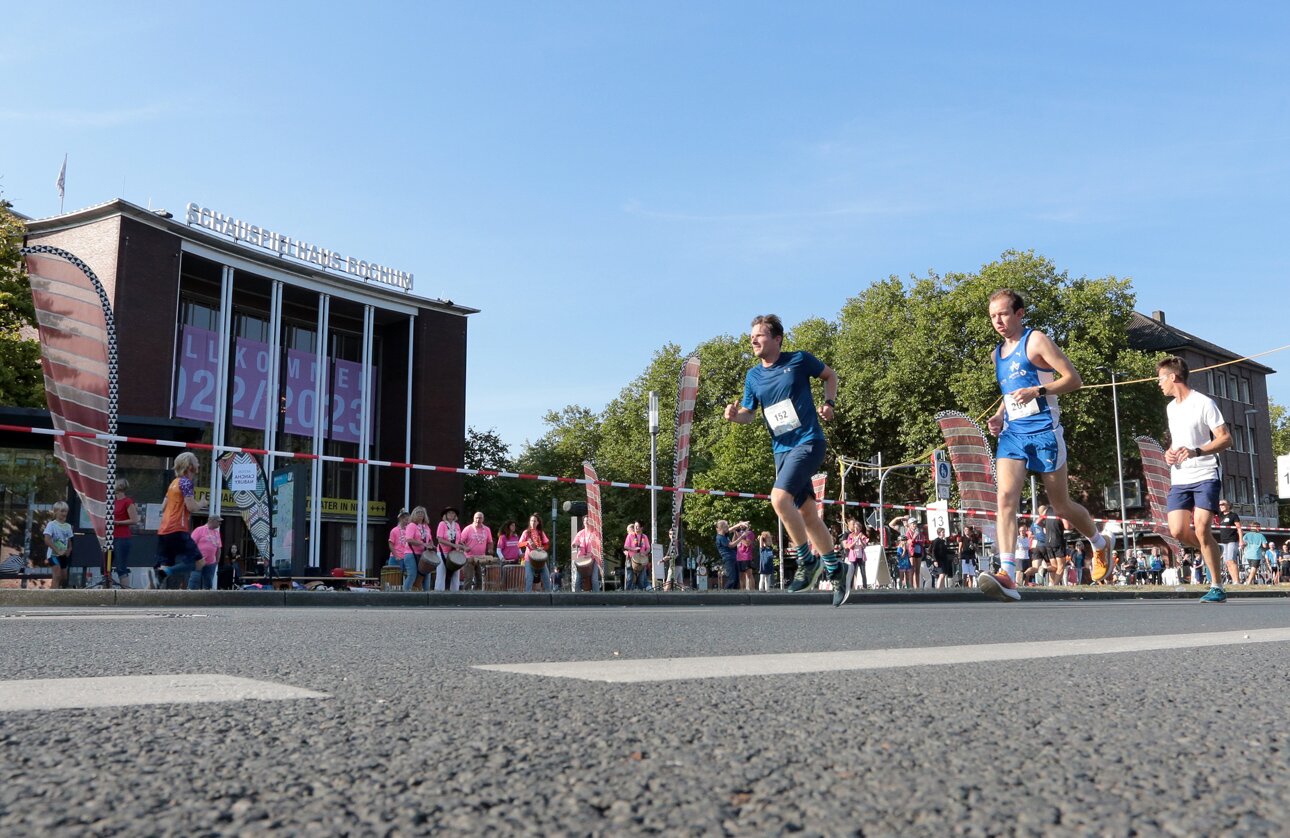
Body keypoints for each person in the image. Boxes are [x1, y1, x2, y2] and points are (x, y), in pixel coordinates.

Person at [980, 289, 1112, 603]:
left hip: (1044, 432)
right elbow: (1010, 392)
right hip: (1013, 435)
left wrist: (1038, 390)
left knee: (1061, 505)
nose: (998, 321)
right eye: (993, 316)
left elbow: (1073, 379)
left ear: (1019, 313)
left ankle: (1099, 543)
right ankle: (1008, 575)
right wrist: (999, 416)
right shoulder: (997, 353)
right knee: (1005, 501)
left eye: (1004, 314)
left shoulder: (1036, 340)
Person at [723, 313, 851, 606]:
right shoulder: (753, 376)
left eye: (760, 335)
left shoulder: (799, 360)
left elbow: (830, 375)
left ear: (777, 339)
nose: (753, 340)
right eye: (752, 335)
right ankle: (836, 569)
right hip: (781, 450)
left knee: (779, 499)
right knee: (807, 513)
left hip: (808, 442)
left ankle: (807, 563)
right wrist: (734, 416)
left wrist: (829, 404)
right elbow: (749, 414)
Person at [1155, 355, 1233, 603]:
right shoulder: (1170, 408)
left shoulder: (1204, 403)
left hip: (1205, 473)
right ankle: (1209, 548)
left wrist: (1197, 451)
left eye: (1160, 379)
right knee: (1177, 531)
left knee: (1201, 527)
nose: (1159, 384)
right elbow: (1179, 441)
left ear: (1173, 377)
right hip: (1180, 475)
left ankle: (1217, 586)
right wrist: (1169, 452)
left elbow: (1225, 439)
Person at [155, 452, 209, 589]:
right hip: (178, 528)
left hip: (164, 530)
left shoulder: (174, 483)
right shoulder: (186, 482)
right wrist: (202, 503)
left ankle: (147, 594)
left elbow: (163, 506)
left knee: (164, 564)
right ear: (190, 466)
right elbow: (191, 507)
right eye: (196, 461)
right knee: (199, 562)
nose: (199, 464)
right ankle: (165, 573)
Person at [111, 478, 140, 586]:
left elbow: (134, 519)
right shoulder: (111, 501)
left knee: (121, 567)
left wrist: (117, 522)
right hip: (110, 537)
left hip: (122, 537)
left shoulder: (127, 501)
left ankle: (125, 593)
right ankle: (105, 593)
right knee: (105, 567)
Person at [459, 511, 494, 591]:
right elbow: (460, 541)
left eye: (480, 518)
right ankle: (466, 596)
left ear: (483, 519)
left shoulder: (487, 529)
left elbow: (490, 542)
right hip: (469, 558)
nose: (478, 520)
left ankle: (477, 596)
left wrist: (490, 549)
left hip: (481, 558)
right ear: (473, 518)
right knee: (469, 578)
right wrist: (465, 547)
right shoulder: (468, 529)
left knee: (479, 579)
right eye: (476, 518)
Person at [43, 500, 74, 589]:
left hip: (63, 555)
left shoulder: (68, 526)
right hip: (53, 554)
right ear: (56, 512)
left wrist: (69, 550)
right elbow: (47, 540)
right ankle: (53, 597)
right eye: (62, 511)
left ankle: (57, 590)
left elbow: (69, 541)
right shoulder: (51, 525)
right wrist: (57, 550)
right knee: (57, 574)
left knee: (64, 576)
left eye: (66, 511)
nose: (64, 513)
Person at [403, 506, 433, 591]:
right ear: (414, 515)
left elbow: (430, 540)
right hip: (411, 554)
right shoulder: (411, 525)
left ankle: (427, 595)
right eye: (418, 512)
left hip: (423, 555)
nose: (420, 514)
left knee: (426, 575)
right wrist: (423, 543)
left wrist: (431, 546)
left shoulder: (426, 527)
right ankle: (405, 594)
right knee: (412, 574)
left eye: (422, 512)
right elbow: (409, 539)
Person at [434, 507, 464, 592]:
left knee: (456, 574)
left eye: (453, 513)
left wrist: (463, 547)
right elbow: (440, 539)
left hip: (454, 553)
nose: (451, 514)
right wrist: (453, 545)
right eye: (449, 513)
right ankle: (439, 592)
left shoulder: (457, 525)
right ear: (446, 515)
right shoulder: (442, 524)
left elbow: (459, 540)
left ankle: (454, 593)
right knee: (441, 573)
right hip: (443, 552)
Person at [519, 514, 551, 592]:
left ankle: (550, 596)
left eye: (534, 521)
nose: (533, 522)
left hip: (541, 559)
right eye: (531, 521)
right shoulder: (526, 532)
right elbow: (519, 544)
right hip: (529, 559)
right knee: (529, 578)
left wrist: (542, 547)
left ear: (538, 523)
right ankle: (528, 597)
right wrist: (527, 543)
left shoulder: (541, 532)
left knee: (546, 578)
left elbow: (547, 545)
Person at [1213, 499, 1242, 586]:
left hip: (1232, 540)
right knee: (1227, 562)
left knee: (1231, 560)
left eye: (1222, 504)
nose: (1220, 506)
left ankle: (1237, 581)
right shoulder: (1220, 515)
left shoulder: (1233, 515)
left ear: (1228, 505)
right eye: (1219, 505)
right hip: (1224, 541)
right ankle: (1234, 581)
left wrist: (1241, 540)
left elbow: (1239, 528)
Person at [190, 515, 222, 590]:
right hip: (198, 561)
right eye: (218, 521)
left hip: (211, 563)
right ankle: (190, 599)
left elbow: (218, 548)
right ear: (212, 521)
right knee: (194, 581)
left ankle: (207, 600)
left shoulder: (217, 533)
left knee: (208, 583)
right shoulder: (199, 530)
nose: (220, 523)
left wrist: (217, 561)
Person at [571, 521, 601, 592]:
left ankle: (597, 598)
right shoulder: (580, 533)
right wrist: (575, 544)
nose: (586, 522)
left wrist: (591, 553)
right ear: (583, 522)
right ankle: (576, 598)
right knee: (578, 579)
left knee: (594, 579)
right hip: (582, 559)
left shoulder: (595, 533)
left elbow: (598, 546)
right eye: (585, 521)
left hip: (594, 558)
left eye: (588, 521)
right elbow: (573, 544)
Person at [623, 522, 651, 591]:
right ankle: (628, 595)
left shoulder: (644, 536)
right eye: (635, 526)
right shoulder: (630, 536)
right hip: (631, 559)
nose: (635, 528)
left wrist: (644, 553)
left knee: (641, 579)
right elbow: (625, 546)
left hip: (641, 561)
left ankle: (641, 595)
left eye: (637, 526)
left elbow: (648, 548)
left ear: (641, 528)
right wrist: (633, 549)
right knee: (630, 578)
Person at [843, 519, 869, 591]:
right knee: (852, 572)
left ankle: (865, 586)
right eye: (855, 528)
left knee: (863, 572)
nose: (856, 530)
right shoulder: (850, 536)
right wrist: (855, 541)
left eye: (858, 528)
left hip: (861, 557)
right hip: (853, 557)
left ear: (860, 529)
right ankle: (850, 587)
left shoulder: (862, 536)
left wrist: (860, 539)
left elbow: (864, 546)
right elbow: (849, 546)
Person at [1241, 522, 1268, 587]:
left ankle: (1251, 583)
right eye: (1259, 527)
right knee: (1254, 570)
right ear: (1256, 527)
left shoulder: (1247, 535)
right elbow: (1264, 546)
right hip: (1256, 554)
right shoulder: (1261, 535)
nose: (1260, 528)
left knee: (1251, 570)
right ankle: (1248, 583)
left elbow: (1242, 544)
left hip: (1247, 554)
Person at [714, 520, 739, 590]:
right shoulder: (720, 537)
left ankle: (733, 595)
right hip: (728, 559)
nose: (728, 527)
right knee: (732, 579)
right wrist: (742, 537)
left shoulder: (725, 535)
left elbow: (731, 530)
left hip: (733, 558)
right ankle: (724, 593)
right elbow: (731, 545)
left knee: (736, 579)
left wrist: (739, 525)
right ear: (722, 527)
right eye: (726, 526)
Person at [387, 509, 410, 582]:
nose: (407, 521)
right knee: (394, 579)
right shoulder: (394, 530)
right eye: (405, 519)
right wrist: (396, 556)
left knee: (407, 576)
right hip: (396, 557)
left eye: (408, 520)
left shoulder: (408, 530)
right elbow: (391, 544)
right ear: (400, 519)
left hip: (406, 557)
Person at [733, 522, 755, 590]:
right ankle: (742, 591)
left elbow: (747, 544)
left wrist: (740, 536)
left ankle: (752, 590)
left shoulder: (749, 533)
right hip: (739, 557)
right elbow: (733, 542)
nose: (741, 526)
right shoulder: (739, 533)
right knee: (741, 575)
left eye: (743, 524)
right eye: (740, 525)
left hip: (746, 556)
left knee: (749, 575)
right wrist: (735, 533)